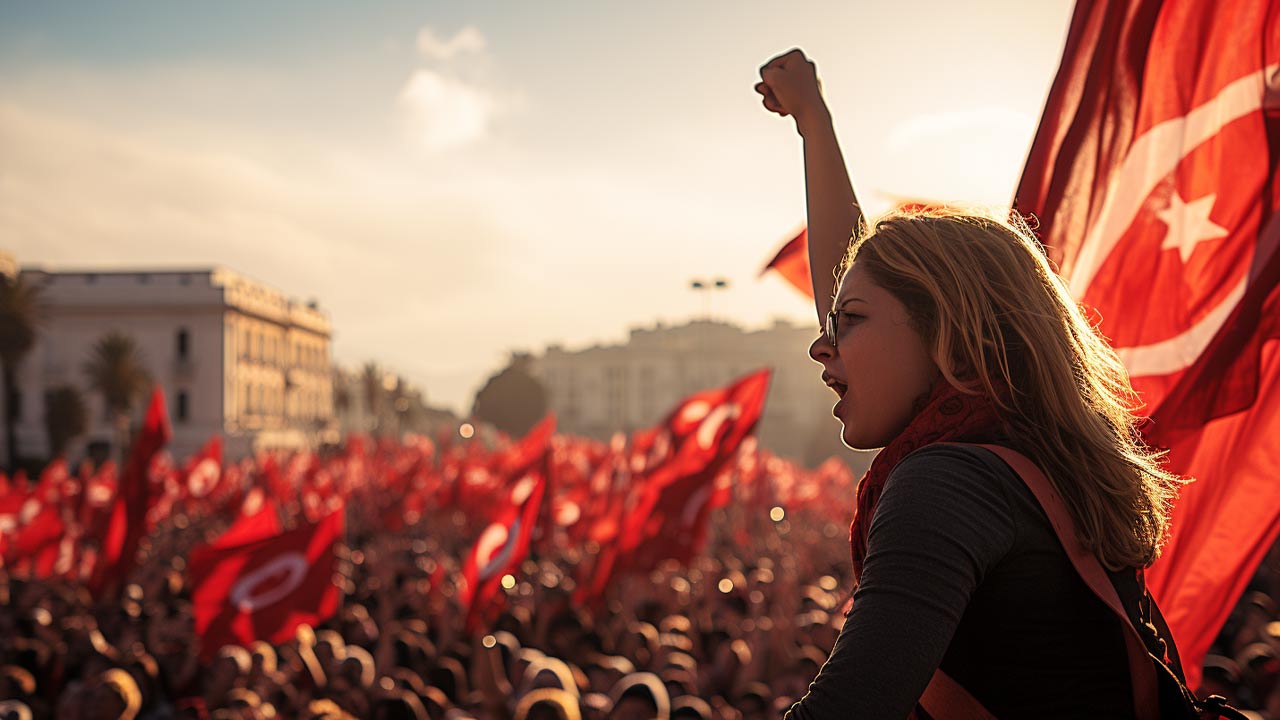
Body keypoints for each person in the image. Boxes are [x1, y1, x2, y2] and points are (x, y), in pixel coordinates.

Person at [754, 48, 1187, 718]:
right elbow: (868, 284)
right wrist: (815, 124)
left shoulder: (949, 482)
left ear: (948, 336)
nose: (822, 344)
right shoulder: (1029, 458)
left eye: (851, 322)